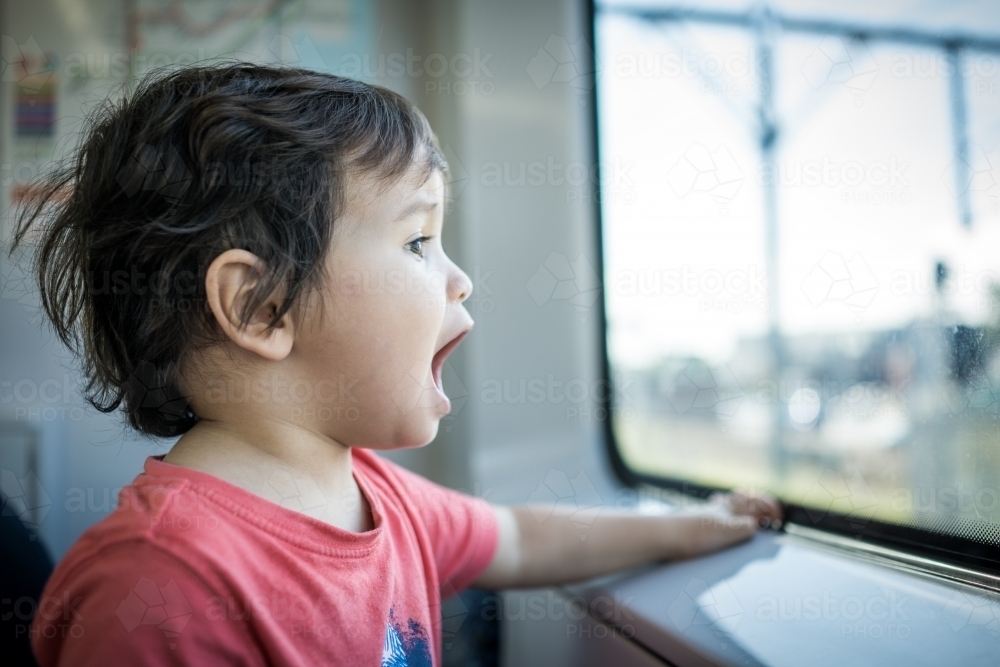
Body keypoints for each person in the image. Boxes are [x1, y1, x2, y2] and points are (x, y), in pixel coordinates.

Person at [12, 62, 781, 667]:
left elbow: (518, 538)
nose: (461, 278)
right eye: (418, 242)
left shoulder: (377, 491)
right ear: (261, 307)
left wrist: (691, 526)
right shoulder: (161, 584)